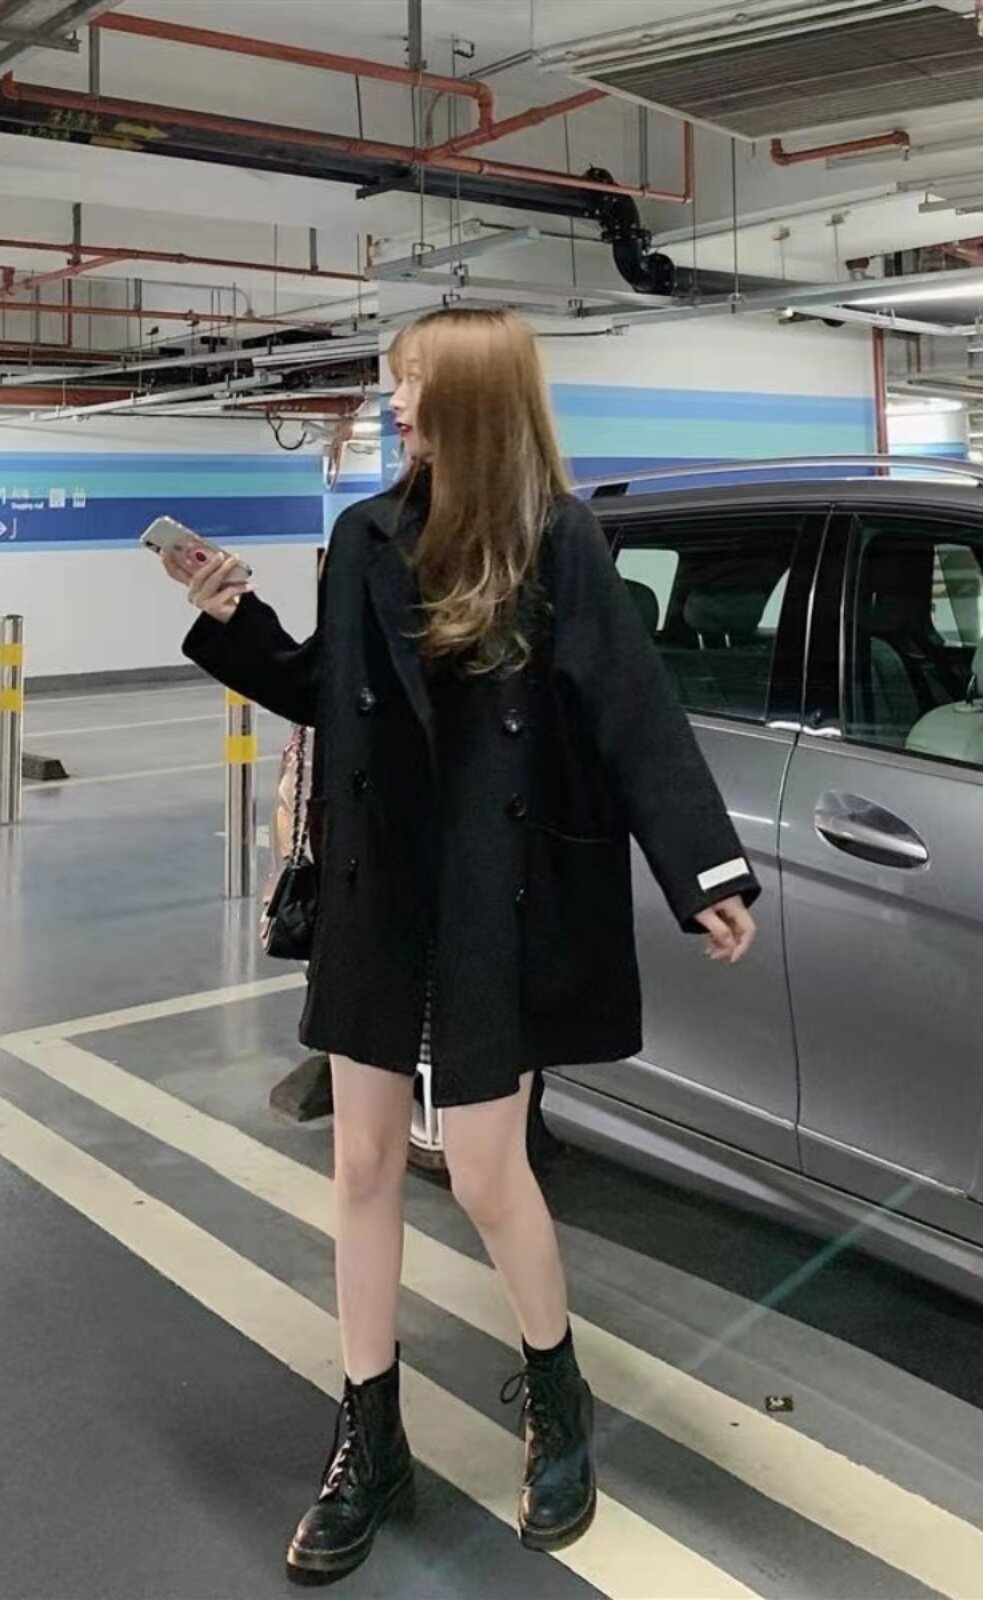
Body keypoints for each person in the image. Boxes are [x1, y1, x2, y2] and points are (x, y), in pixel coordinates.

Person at [164, 307, 759, 1586]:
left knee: (489, 1170)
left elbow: (633, 713)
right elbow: (327, 688)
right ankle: (369, 1437)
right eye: (395, 384)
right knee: (362, 1162)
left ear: (476, 398)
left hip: (502, 895)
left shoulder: (558, 540)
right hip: (382, 890)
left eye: (414, 384)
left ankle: (557, 1393)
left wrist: (703, 868)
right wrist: (232, 618)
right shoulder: (363, 534)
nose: (394, 405)